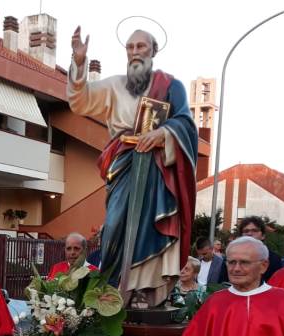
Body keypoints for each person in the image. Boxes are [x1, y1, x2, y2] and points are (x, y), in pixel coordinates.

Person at [67, 27, 198, 307]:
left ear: (153, 50)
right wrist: (79, 64)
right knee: (114, 226)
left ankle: (144, 290)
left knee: (150, 226)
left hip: (158, 171)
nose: (135, 52)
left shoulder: (171, 86)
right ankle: (113, 289)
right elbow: (80, 102)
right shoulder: (114, 84)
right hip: (123, 162)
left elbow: (186, 123)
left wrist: (163, 134)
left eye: (141, 46)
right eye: (130, 47)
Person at [238, 216, 283, 282]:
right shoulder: (231, 257)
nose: (249, 234)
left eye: (254, 230)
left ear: (263, 236)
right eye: (246, 231)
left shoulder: (274, 259)